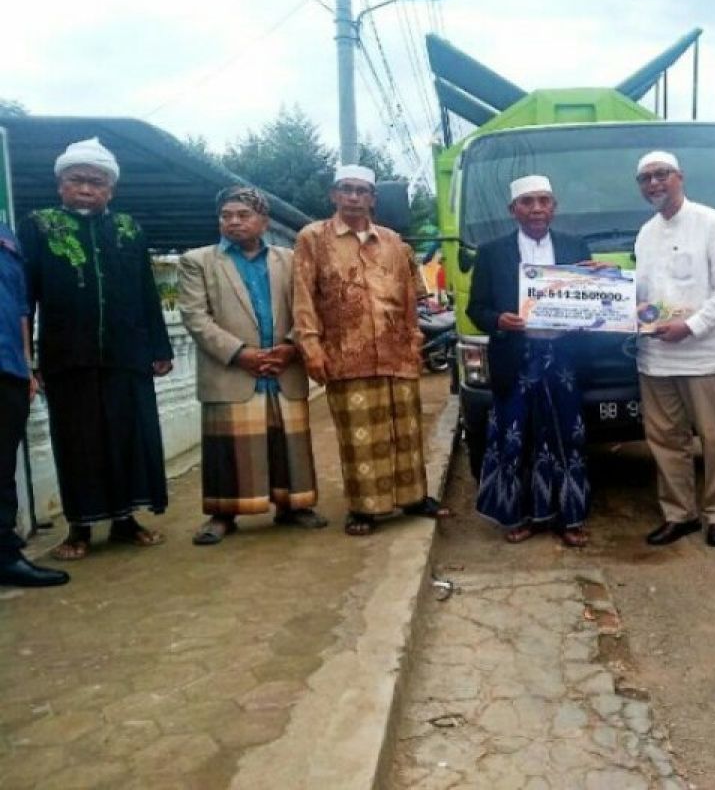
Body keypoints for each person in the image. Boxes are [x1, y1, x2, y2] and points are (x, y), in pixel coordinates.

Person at [18, 138, 173, 561]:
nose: (86, 189)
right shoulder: (38, 225)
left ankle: (125, 522)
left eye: (96, 182)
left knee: (128, 438)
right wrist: (27, 358)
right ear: (60, 185)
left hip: (127, 357)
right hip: (67, 359)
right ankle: (80, 528)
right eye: (76, 180)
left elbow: (147, 290)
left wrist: (159, 346)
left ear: (111, 189)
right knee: (78, 443)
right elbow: (24, 296)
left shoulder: (129, 229)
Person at [292, 165, 439, 536]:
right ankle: (364, 508)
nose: (354, 197)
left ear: (373, 199)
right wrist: (310, 346)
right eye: (346, 190)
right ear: (334, 195)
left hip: (396, 352)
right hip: (346, 352)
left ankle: (414, 498)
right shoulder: (313, 238)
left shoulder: (394, 242)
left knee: (404, 431)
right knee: (359, 435)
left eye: (361, 191)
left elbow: (410, 299)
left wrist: (415, 341)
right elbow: (303, 296)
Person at [177, 187, 326, 545]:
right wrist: (240, 353)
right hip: (230, 369)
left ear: (263, 221)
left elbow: (312, 304)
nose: (233, 222)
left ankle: (293, 507)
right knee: (226, 451)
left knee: (286, 444)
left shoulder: (290, 259)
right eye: (226, 215)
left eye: (243, 215)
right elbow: (196, 318)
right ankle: (222, 514)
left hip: (283, 368)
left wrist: (292, 346)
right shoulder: (198, 261)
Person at [467, 175, 593, 547]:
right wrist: (498, 320)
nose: (536, 209)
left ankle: (570, 518)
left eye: (544, 201)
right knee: (515, 438)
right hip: (516, 358)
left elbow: (591, 299)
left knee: (566, 436)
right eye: (528, 202)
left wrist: (600, 283)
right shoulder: (492, 252)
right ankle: (520, 516)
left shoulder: (575, 246)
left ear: (554, 207)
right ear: (513, 210)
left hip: (563, 359)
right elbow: (477, 307)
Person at [633, 151, 715, 548]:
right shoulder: (645, 233)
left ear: (680, 176)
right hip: (656, 356)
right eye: (645, 179)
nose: (654, 184)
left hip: (706, 354)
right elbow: (643, 296)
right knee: (665, 438)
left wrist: (691, 326)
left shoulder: (712, 223)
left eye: (661, 175)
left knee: (714, 438)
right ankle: (680, 514)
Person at [0, 222, 69, 586]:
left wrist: (26, 365)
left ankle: (5, 556)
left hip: (8, 367)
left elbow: (21, 307)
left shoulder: (6, 235)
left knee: (2, 469)